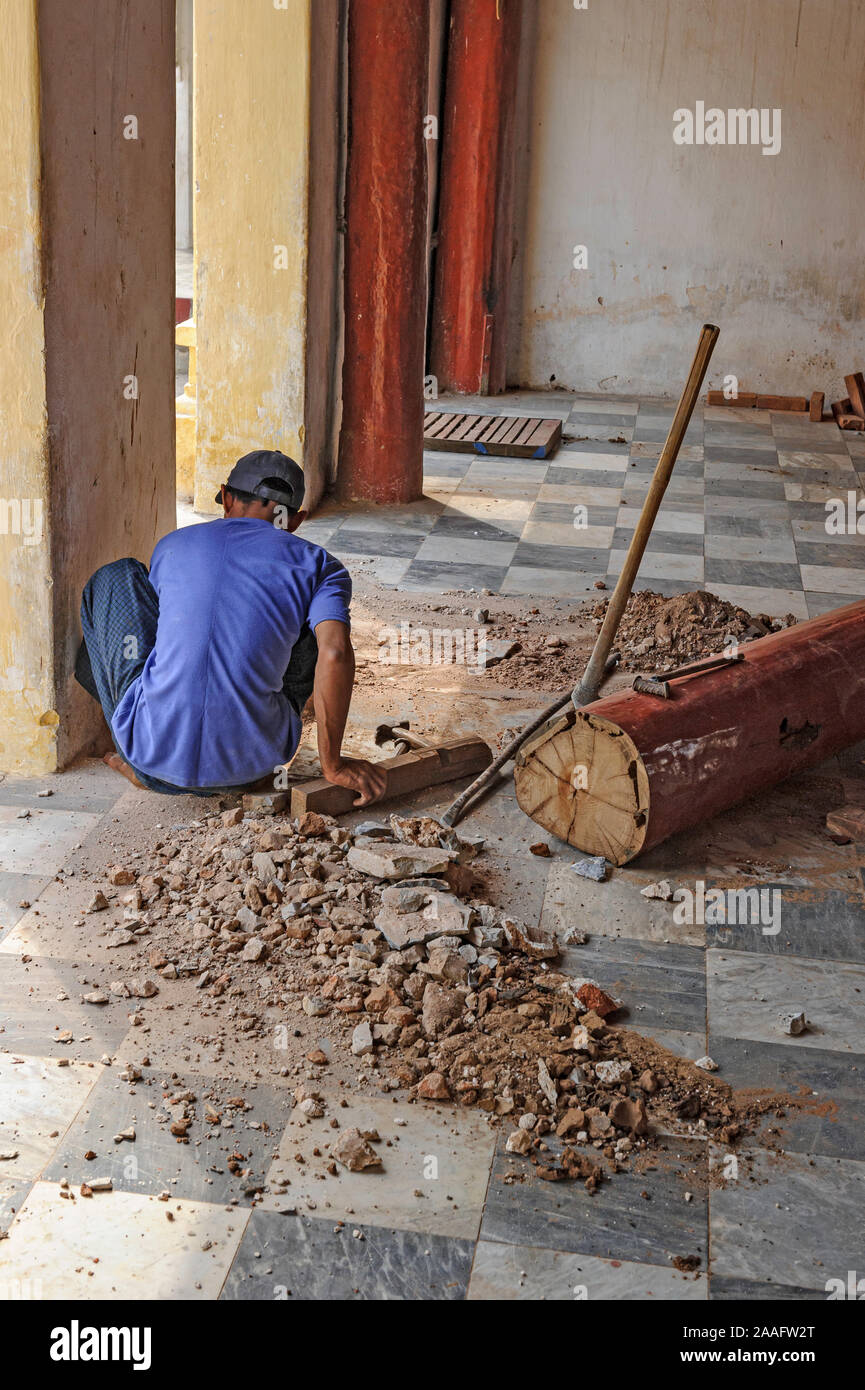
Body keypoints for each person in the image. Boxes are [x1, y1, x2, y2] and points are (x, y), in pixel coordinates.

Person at [74, 448, 385, 807]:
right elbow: (335, 652)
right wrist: (334, 765)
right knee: (318, 625)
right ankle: (246, 727)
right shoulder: (320, 565)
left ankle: (134, 743)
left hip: (150, 757)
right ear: (295, 520)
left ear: (226, 497)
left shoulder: (173, 545)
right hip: (254, 766)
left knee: (120, 576)